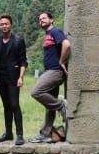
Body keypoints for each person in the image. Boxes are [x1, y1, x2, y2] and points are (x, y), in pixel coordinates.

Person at [0, 13, 27, 146]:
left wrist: (21, 77)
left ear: (11, 25)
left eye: (6, 24)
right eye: (2, 24)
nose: (4, 26)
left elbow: (23, 61)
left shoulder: (18, 41)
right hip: (1, 77)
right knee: (6, 106)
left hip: (14, 77)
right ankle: (8, 133)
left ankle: (20, 134)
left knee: (15, 104)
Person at [29, 11, 70, 143]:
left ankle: (61, 105)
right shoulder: (48, 35)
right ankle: (46, 133)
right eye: (39, 19)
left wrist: (62, 61)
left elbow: (66, 44)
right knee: (48, 105)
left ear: (51, 20)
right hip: (50, 70)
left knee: (36, 92)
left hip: (55, 71)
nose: (41, 20)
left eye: (44, 18)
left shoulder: (55, 31)